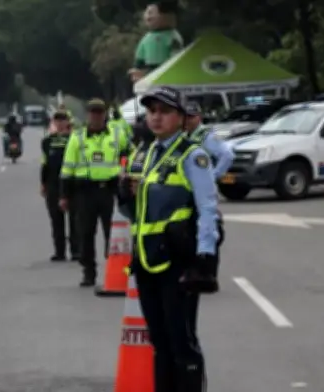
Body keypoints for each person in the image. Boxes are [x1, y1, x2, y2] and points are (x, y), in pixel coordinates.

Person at [118, 86, 219, 392]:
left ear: (180, 117)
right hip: (147, 260)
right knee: (159, 344)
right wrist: (123, 193)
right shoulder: (142, 155)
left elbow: (208, 208)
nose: (157, 118)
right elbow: (130, 210)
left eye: (164, 112)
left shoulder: (193, 155)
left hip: (178, 261)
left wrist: (204, 258)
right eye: (152, 112)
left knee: (181, 342)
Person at [59, 98, 132, 286]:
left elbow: (129, 153)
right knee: (85, 234)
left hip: (110, 190)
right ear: (88, 114)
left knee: (114, 233)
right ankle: (88, 272)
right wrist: (64, 195)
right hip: (85, 192)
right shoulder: (78, 137)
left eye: (100, 112)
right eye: (93, 112)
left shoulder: (116, 134)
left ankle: (115, 270)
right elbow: (67, 168)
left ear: (105, 114)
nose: (96, 116)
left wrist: (127, 173)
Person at [42, 111, 79, 262]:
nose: (60, 123)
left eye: (63, 119)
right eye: (57, 120)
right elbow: (45, 164)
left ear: (68, 122)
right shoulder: (47, 141)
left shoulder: (75, 139)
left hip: (72, 183)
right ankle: (59, 251)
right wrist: (43, 183)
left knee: (75, 220)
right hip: (53, 183)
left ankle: (76, 250)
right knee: (56, 219)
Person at [184, 102, 235, 179]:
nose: (187, 120)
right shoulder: (185, 135)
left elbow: (227, 155)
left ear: (200, 117)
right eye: (185, 117)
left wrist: (214, 175)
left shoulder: (208, 136)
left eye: (191, 117)